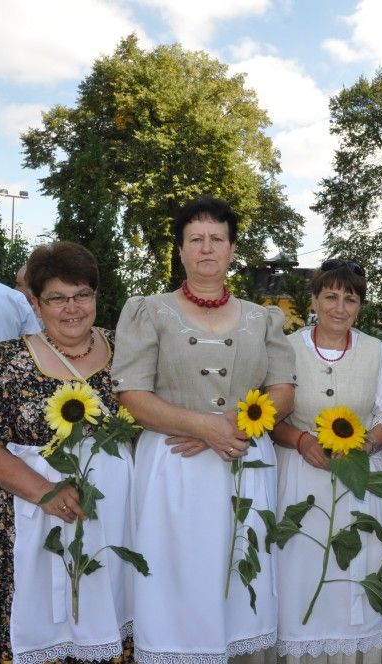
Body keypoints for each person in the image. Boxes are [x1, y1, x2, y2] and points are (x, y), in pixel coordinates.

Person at [112, 196, 296, 662]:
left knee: (237, 575)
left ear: (232, 248)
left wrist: (225, 427)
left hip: (242, 457)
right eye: (196, 239)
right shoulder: (149, 310)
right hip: (174, 466)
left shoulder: (263, 317)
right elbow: (131, 394)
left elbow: (282, 392)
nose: (207, 248)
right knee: (178, 577)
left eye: (217, 238)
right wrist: (199, 425)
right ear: (180, 250)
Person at [0, 241, 133, 664]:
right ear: (34, 303)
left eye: (82, 295)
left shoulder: (128, 352)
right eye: (57, 298)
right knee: (40, 631)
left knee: (112, 618)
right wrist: (46, 492)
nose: (72, 308)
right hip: (32, 519)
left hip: (115, 520)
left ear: (96, 295)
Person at [270, 259, 382, 661]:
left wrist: (365, 445)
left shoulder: (377, 352)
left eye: (350, 299)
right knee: (300, 569)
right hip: (299, 477)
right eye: (330, 296)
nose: (340, 308)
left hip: (359, 480)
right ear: (313, 299)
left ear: (360, 306)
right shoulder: (285, 349)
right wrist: (300, 439)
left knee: (356, 567)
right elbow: (266, 416)